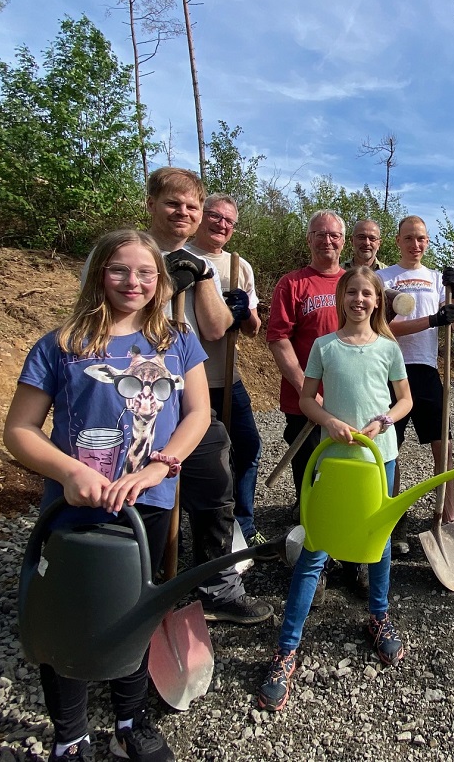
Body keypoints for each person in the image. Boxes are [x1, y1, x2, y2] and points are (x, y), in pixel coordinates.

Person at [4, 229, 207, 761]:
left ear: (160, 281)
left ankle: (130, 720)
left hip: (149, 504)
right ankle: (69, 735)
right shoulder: (63, 345)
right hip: (75, 507)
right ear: (98, 273)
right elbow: (20, 431)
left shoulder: (177, 339)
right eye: (120, 270)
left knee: (135, 613)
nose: (132, 282)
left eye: (145, 272)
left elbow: (198, 415)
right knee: (69, 617)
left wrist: (163, 465)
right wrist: (70, 472)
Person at [257, 266, 413, 712]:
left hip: (379, 457)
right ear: (341, 297)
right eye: (352, 293)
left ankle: (379, 618)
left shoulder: (388, 348)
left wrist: (386, 419)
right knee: (316, 548)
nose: (359, 300)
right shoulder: (325, 346)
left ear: (377, 300)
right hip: (334, 460)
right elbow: (307, 399)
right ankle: (287, 648)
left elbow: (405, 400)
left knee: (377, 543)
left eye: (367, 294)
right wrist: (328, 420)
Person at [144, 168, 272, 624]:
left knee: (222, 473)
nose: (186, 214)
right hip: (145, 394)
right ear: (151, 204)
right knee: (154, 489)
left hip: (204, 387)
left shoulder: (220, 267)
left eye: (191, 207)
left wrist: (211, 287)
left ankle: (217, 582)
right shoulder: (129, 255)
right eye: (174, 204)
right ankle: (149, 582)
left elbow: (219, 329)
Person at [378, 216, 454, 554]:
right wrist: (430, 319)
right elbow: (381, 327)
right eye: (410, 238)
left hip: (426, 371)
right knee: (389, 448)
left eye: (422, 239)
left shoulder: (437, 280)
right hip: (388, 371)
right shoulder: (383, 278)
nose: (416, 244)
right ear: (397, 240)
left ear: (428, 242)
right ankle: (391, 518)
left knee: (444, 445)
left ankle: (447, 516)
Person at [187, 194, 265, 546]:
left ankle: (242, 527)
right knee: (194, 457)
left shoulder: (239, 266)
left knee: (247, 447)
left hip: (226, 375)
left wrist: (244, 310)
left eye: (229, 221)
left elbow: (254, 329)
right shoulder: (182, 257)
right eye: (215, 216)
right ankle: (185, 530)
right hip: (187, 379)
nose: (221, 224)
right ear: (201, 216)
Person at [267, 210, 346, 506]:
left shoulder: (354, 284)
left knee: (343, 465)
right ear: (309, 239)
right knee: (310, 468)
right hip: (305, 400)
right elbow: (278, 339)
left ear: (343, 242)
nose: (328, 240)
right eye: (321, 234)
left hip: (346, 397)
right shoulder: (293, 284)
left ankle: (339, 526)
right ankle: (309, 531)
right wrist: (306, 389)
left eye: (334, 235)